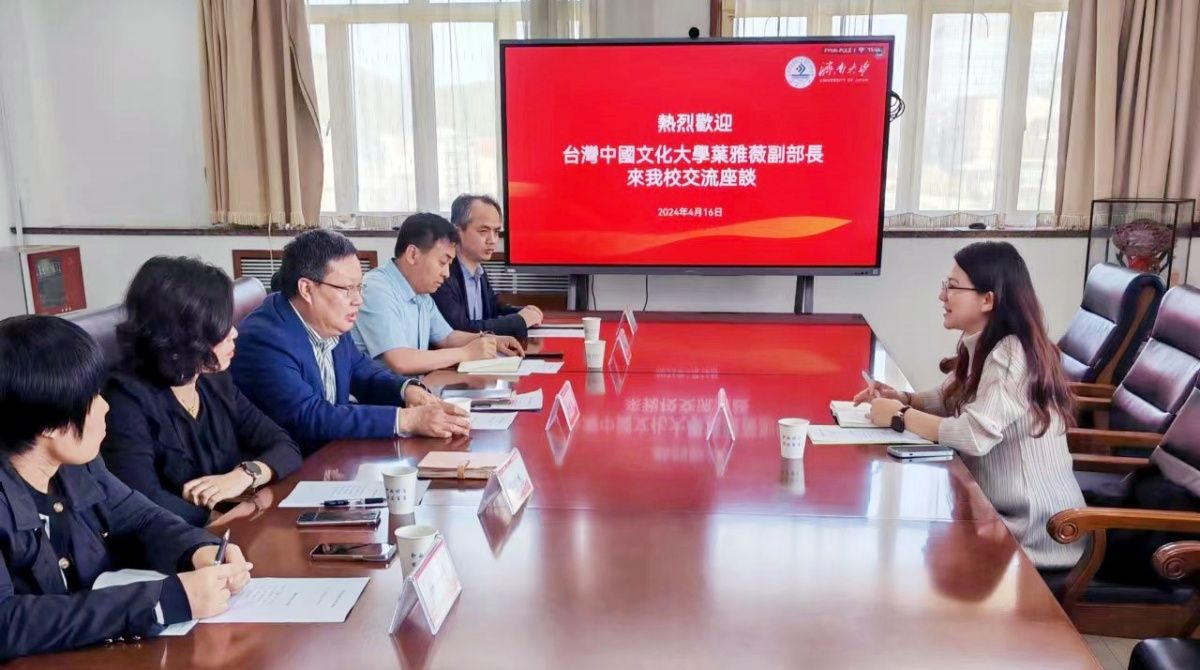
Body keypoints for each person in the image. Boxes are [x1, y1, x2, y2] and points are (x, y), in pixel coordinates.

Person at [0, 315, 253, 661]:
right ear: (48, 425)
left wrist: (198, 550)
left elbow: (143, 520)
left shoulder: (78, 466)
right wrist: (161, 601)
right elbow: (6, 623)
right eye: (91, 398)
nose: (105, 407)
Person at [853, 241, 1084, 569]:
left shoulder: (1011, 353)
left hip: (1033, 530)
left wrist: (901, 416)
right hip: (993, 512)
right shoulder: (985, 342)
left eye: (952, 287)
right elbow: (949, 398)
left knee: (912, 560)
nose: (942, 295)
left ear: (988, 299)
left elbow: (974, 434)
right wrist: (903, 398)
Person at [101, 257, 303, 527]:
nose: (234, 333)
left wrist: (244, 475)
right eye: (221, 327)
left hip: (233, 525)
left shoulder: (213, 381)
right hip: (177, 540)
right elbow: (141, 499)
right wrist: (217, 517)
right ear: (184, 335)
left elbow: (285, 446)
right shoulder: (125, 400)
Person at [230, 230, 469, 454]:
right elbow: (308, 417)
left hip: (331, 453)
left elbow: (360, 370)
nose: (358, 300)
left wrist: (406, 390)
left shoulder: (328, 319)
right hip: (290, 468)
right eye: (347, 289)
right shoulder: (265, 340)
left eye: (359, 287)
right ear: (306, 289)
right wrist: (406, 420)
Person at [352, 212, 525, 375]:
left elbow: (447, 338)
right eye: (443, 262)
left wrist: (489, 340)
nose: (447, 273)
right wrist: (465, 353)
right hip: (378, 396)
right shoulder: (377, 289)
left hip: (411, 389)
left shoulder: (421, 292)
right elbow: (400, 360)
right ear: (413, 254)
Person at [432, 194, 543, 338]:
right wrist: (519, 321)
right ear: (458, 232)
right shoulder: (443, 273)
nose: (492, 240)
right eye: (483, 231)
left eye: (496, 231)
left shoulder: (479, 270)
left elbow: (492, 310)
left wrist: (523, 312)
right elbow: (461, 329)